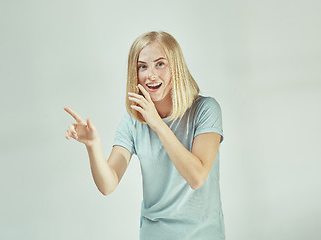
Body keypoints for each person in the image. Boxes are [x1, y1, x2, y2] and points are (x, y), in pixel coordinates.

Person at [64, 31, 225, 240]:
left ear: (175, 66)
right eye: (143, 66)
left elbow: (196, 177)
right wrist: (92, 145)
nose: (151, 75)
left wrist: (157, 123)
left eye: (160, 64)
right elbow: (108, 184)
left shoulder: (206, 110)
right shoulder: (133, 121)